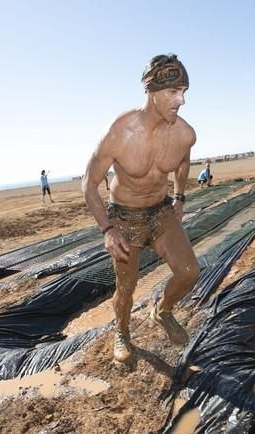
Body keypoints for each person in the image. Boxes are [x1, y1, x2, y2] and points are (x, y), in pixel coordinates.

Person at [82, 54, 200, 363]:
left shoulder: (185, 134)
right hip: (123, 217)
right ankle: (121, 332)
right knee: (126, 286)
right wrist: (107, 230)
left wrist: (179, 198)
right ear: (152, 91)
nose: (182, 100)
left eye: (184, 91)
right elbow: (89, 183)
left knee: (189, 272)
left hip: (161, 212)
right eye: (174, 92)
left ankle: (162, 310)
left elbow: (183, 161)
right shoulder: (121, 131)